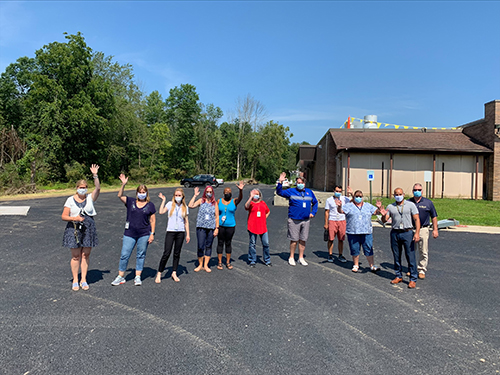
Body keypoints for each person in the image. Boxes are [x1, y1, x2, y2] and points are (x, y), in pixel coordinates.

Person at [111, 174, 156, 286]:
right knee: (124, 254)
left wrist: (152, 234)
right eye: (140, 192)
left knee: (141, 254)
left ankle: (137, 276)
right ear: (137, 193)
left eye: (143, 192)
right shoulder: (130, 201)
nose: (142, 194)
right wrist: (123, 184)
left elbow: (153, 220)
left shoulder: (150, 205)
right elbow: (119, 195)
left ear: (146, 193)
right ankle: (120, 276)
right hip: (130, 233)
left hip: (144, 233)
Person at [61, 164, 100, 291]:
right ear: (77, 188)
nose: (82, 189)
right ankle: (75, 280)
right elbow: (64, 216)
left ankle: (84, 279)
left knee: (85, 255)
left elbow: (98, 188)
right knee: (75, 256)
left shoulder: (90, 198)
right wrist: (75, 218)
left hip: (88, 228)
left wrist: (95, 175)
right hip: (74, 229)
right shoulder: (70, 200)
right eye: (80, 187)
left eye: (84, 188)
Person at [380, 187, 421, 289]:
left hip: (407, 232)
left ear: (404, 194)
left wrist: (417, 233)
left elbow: (416, 219)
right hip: (395, 232)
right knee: (396, 255)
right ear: (393, 195)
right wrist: (383, 214)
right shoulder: (391, 206)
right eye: (396, 194)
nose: (398, 196)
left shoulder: (410, 205)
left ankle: (413, 279)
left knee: (410, 256)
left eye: (400, 194)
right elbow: (385, 220)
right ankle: (398, 275)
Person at [276, 172, 318, 266]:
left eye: (301, 183)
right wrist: (280, 182)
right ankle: (291, 257)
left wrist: (313, 212)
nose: (300, 184)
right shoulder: (291, 191)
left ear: (304, 184)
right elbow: (279, 192)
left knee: (303, 240)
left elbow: (315, 203)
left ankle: (301, 257)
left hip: (305, 220)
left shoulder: (309, 192)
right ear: (296, 183)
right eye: (298, 182)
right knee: (294, 240)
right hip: (294, 220)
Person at [336, 190, 383, 273]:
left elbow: (376, 212)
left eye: (360, 196)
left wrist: (379, 208)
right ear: (353, 197)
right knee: (355, 248)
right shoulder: (349, 206)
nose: (358, 198)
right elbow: (341, 211)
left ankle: (372, 265)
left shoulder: (368, 206)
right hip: (353, 232)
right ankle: (356, 264)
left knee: (368, 248)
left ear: (362, 197)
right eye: (356, 196)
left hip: (366, 231)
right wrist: (339, 206)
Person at [155, 189, 190, 283]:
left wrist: (188, 234)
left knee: (177, 253)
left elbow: (186, 221)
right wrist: (163, 200)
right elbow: (161, 212)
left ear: (182, 196)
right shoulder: (170, 204)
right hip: (170, 231)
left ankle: (174, 272)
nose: (177, 197)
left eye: (179, 195)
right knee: (166, 252)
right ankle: (159, 273)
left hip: (180, 232)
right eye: (176, 195)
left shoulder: (185, 207)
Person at [408, 183, 438, 279]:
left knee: (423, 250)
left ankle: (421, 269)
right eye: (415, 190)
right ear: (412, 191)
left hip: (423, 229)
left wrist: (435, 229)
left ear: (422, 191)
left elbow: (434, 217)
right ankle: (411, 269)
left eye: (419, 190)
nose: (417, 191)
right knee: (411, 250)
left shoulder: (428, 203)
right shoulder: (408, 202)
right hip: (410, 229)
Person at [189, 185, 219, 273]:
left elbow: (217, 217)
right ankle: (200, 265)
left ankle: (206, 265)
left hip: (211, 227)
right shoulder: (201, 201)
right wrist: (195, 195)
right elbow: (190, 205)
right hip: (201, 227)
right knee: (200, 246)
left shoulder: (214, 203)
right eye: (207, 192)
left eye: (210, 192)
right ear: (205, 192)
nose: (208, 193)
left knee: (208, 246)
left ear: (212, 193)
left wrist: (217, 228)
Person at [216, 181, 244, 270]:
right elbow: (215, 213)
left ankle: (228, 262)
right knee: (220, 242)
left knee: (228, 243)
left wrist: (240, 191)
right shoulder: (219, 201)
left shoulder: (234, 201)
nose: (228, 193)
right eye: (226, 192)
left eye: (229, 192)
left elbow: (240, 198)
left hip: (230, 226)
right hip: (220, 225)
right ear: (223, 193)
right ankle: (219, 262)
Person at [324, 185, 352, 263]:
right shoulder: (329, 200)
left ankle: (340, 255)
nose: (338, 193)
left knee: (341, 239)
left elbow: (353, 201)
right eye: (337, 191)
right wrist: (326, 223)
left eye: (340, 191)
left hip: (342, 220)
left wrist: (351, 193)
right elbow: (327, 212)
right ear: (334, 191)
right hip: (332, 220)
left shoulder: (344, 199)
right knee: (331, 239)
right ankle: (330, 254)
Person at [245, 188, 271, 267]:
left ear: (259, 195)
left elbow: (268, 211)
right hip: (252, 226)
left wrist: (264, 218)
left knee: (266, 243)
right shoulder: (251, 204)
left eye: (256, 194)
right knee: (252, 244)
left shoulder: (263, 203)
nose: (255, 196)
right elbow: (246, 206)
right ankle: (252, 260)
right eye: (253, 194)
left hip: (263, 227)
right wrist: (250, 197)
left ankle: (267, 260)